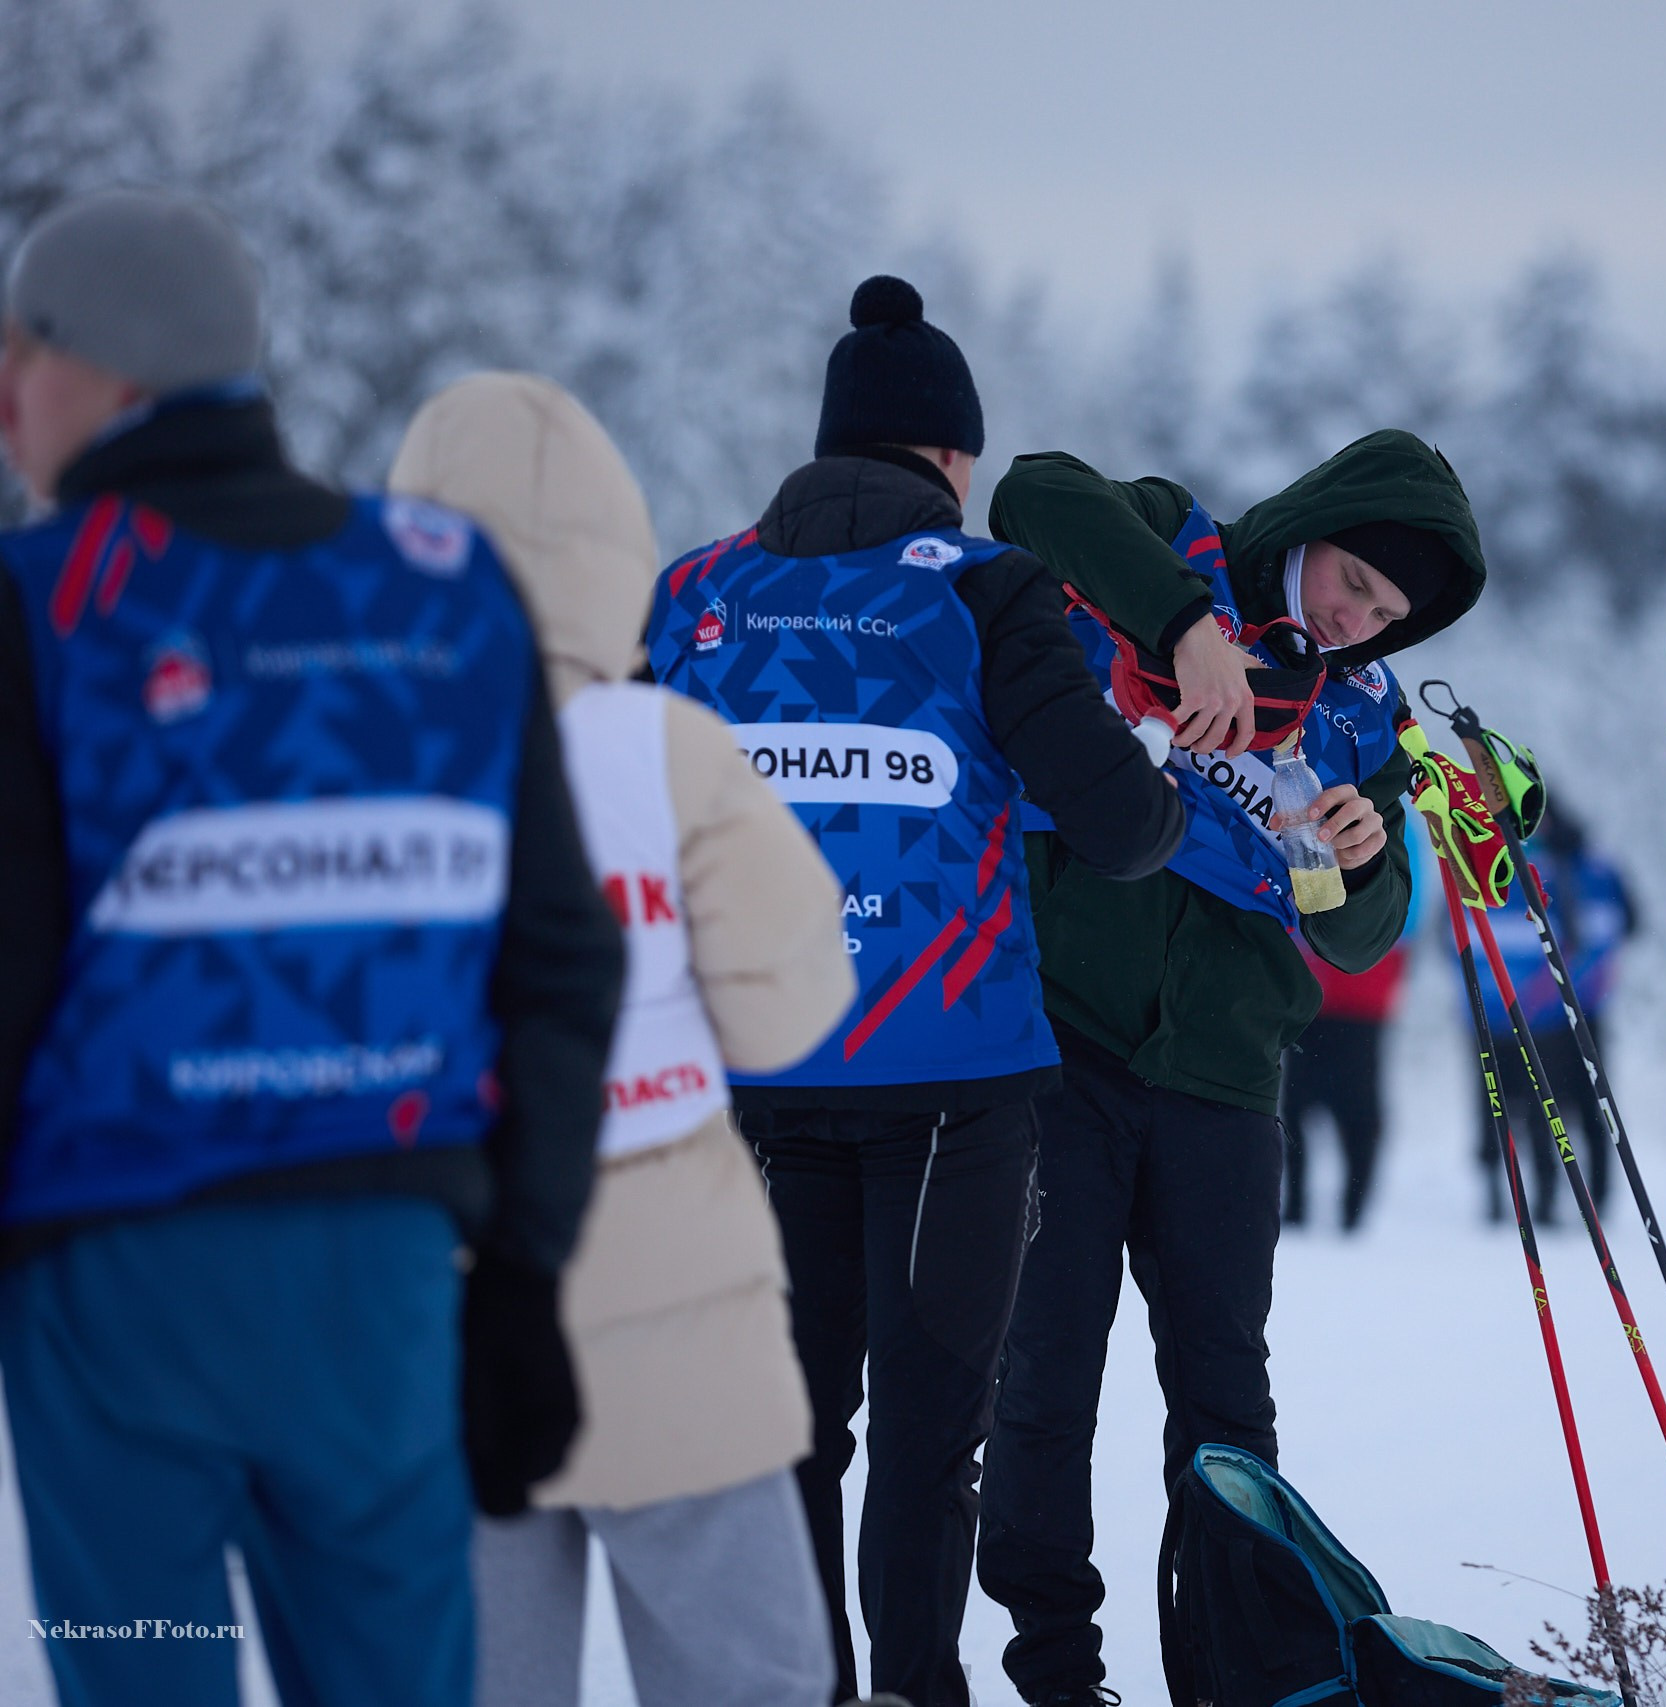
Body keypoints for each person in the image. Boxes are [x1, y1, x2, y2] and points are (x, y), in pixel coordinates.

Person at [0, 190, 623, 1707]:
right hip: (387, 1276)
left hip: (115, 1280)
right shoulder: (444, 582)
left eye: (18, 356)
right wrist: (526, 1271)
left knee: (145, 1680)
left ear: (105, 370)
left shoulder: (40, 602)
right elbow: (561, 951)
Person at [645, 276, 1185, 1707]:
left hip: (752, 1078)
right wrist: (1169, 772)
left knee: (789, 1433)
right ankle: (913, 1693)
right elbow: (1122, 827)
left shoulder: (694, 591)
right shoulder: (983, 588)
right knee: (929, 1438)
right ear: (951, 460)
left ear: (829, 445)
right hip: (950, 1087)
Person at [976, 430, 1487, 1707]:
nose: (1355, 617)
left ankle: (1236, 1672)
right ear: (1312, 527)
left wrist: (1365, 860)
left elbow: (1361, 931)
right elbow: (1034, 494)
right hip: (1064, 1041)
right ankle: (1055, 1673)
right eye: (1351, 580)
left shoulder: (1360, 720)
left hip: (1223, 1079)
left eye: (1384, 612)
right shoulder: (1172, 539)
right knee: (1047, 1371)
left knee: (1224, 1411)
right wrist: (1184, 623)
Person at [391, 372, 855, 1707]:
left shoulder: (358, 748)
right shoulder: (668, 748)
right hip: (681, 1314)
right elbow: (791, 1005)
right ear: (616, 558)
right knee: (750, 1676)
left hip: (437, 1295)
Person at [1465, 797, 1635, 1225]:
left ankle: (1588, 1202)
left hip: (1565, 1011)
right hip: (1506, 1010)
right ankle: (1510, 1201)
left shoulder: (1579, 864)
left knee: (1568, 1107)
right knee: (1505, 1109)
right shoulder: (1493, 858)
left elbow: (1617, 925)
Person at [1281, 816, 1427, 1232]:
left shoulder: (1395, 819)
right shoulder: (1311, 804)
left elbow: (1407, 904)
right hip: (1321, 991)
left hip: (1359, 994)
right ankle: (1303, 1206)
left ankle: (1352, 1211)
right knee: (1299, 1105)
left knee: (1353, 1111)